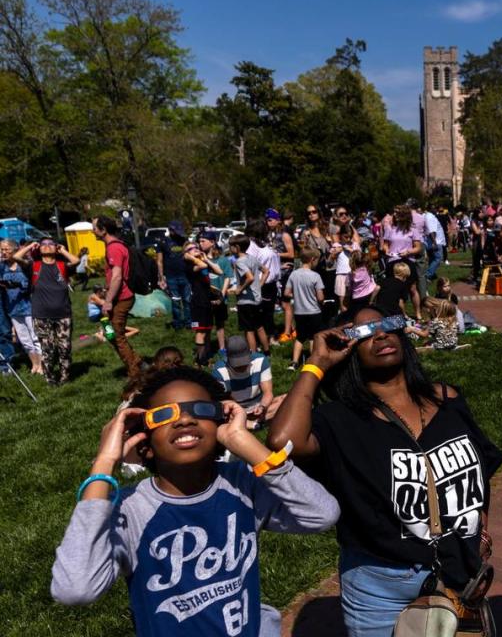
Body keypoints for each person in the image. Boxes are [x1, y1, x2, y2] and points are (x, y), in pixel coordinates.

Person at [51, 365, 340, 636]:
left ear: (220, 423)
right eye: (164, 415)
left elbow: (321, 514)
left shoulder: (241, 484)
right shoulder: (130, 509)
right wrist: (104, 462)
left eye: (200, 410)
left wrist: (248, 445)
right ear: (144, 443)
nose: (185, 420)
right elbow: (75, 588)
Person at [267, 311, 502, 636]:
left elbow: (479, 472)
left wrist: (480, 536)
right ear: (347, 349)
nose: (379, 336)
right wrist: (317, 363)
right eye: (364, 332)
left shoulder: (446, 398)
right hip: (379, 585)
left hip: (458, 572)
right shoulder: (340, 420)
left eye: (386, 325)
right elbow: (283, 442)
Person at [13, 239, 79, 386]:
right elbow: (16, 257)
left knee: (65, 348)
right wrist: (30, 246)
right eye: (43, 244)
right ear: (39, 249)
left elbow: (75, 261)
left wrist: (62, 250)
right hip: (41, 316)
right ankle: (50, 379)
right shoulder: (33, 266)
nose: (47, 246)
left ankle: (65, 378)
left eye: (51, 244)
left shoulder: (62, 266)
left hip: (64, 314)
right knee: (47, 349)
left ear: (56, 248)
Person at [93, 215, 144, 377]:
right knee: (113, 335)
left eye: (94, 228)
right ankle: (139, 363)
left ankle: (135, 373)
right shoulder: (116, 245)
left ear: (103, 230)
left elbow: (117, 276)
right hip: (120, 296)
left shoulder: (113, 248)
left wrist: (107, 302)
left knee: (117, 336)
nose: (92, 231)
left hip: (121, 297)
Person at [213, 335, 282, 425]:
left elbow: (268, 392)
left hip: (258, 404)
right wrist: (239, 412)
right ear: (227, 357)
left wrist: (262, 407)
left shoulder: (261, 360)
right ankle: (257, 422)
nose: (241, 367)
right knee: (219, 412)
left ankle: (248, 423)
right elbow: (224, 401)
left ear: (250, 352)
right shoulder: (219, 370)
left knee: (286, 399)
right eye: (236, 363)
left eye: (244, 362)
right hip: (236, 410)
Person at [1, 239, 42, 374]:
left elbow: (18, 258)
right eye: (1, 249)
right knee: (24, 339)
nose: (4, 252)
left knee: (35, 336)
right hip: (12, 307)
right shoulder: (2, 267)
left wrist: (29, 246)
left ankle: (41, 364)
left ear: (15, 249)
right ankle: (34, 364)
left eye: (6, 249)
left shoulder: (24, 264)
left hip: (28, 305)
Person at [284, 248, 326, 370]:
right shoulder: (315, 276)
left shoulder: (294, 274)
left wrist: (297, 295)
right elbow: (320, 297)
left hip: (299, 312)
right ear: (312, 259)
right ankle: (312, 362)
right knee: (313, 337)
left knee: (300, 337)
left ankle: (294, 362)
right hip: (314, 311)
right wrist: (321, 301)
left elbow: (287, 293)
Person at [227, 234, 267, 356]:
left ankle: (253, 355)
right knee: (259, 327)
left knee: (248, 330)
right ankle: (267, 351)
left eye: (231, 247)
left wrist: (239, 289)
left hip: (246, 301)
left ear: (237, 247)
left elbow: (249, 277)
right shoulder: (252, 258)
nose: (229, 249)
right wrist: (259, 285)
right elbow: (266, 271)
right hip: (257, 299)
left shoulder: (239, 262)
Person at [183, 242, 222, 366]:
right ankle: (199, 360)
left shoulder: (202, 264)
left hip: (206, 302)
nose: (195, 249)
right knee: (200, 332)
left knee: (208, 331)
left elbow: (219, 271)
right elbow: (201, 265)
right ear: (186, 254)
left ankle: (206, 357)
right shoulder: (189, 266)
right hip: (197, 303)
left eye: (196, 247)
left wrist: (206, 259)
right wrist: (192, 258)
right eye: (191, 249)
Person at [381, 205, 423, 314]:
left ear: (404, 214)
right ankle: (402, 315)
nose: (394, 214)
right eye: (394, 212)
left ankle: (418, 313)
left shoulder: (413, 230)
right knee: (396, 290)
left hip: (408, 261)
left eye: (397, 212)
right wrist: (386, 251)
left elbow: (418, 248)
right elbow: (385, 245)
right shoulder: (390, 229)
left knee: (412, 288)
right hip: (393, 261)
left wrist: (408, 252)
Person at [267, 208, 297, 343]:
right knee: (281, 303)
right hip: (278, 271)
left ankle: (287, 333)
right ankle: (292, 329)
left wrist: (275, 255)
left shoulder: (284, 234)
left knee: (285, 303)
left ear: (278, 220)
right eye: (267, 220)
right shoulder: (273, 234)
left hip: (286, 272)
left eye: (270, 220)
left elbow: (291, 254)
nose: (268, 222)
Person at [156, 220, 191, 330]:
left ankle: (189, 322)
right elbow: (159, 261)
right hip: (171, 276)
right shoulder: (163, 242)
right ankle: (177, 323)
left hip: (185, 275)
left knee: (187, 300)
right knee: (175, 301)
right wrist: (161, 276)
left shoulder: (184, 241)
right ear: (170, 230)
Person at [424, 206, 446, 281]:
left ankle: (431, 275)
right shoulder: (430, 216)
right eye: (434, 208)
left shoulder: (427, 216)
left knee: (432, 259)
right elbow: (432, 230)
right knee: (438, 258)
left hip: (429, 242)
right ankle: (428, 275)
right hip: (435, 241)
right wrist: (434, 242)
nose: (436, 210)